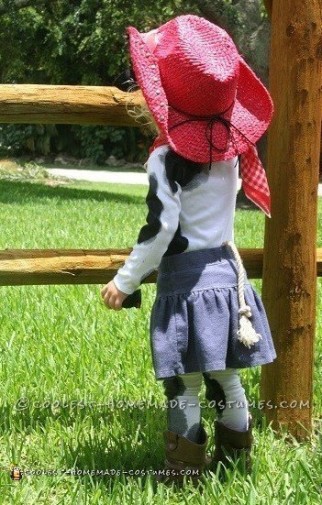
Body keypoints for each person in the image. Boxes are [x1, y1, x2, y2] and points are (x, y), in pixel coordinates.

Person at [101, 14, 276, 483]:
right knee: (226, 376)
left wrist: (125, 279)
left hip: (186, 285)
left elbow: (161, 229)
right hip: (226, 277)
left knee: (184, 381)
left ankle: (183, 470)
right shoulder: (230, 153)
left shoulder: (164, 159)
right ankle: (238, 460)